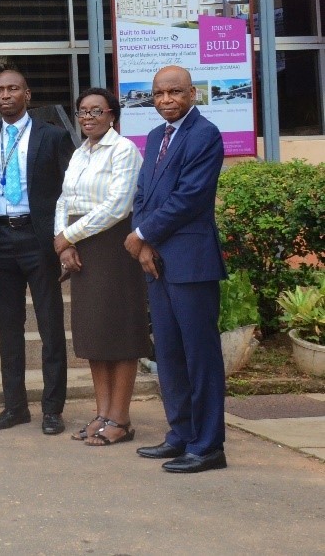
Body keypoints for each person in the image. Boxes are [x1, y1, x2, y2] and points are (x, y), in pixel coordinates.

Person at [130, 66, 229, 473]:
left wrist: (142, 235)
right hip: (156, 261)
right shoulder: (155, 138)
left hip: (191, 262)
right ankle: (181, 435)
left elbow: (190, 197)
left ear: (192, 93)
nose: (166, 100)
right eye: (158, 94)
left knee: (199, 356)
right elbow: (143, 193)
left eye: (174, 92)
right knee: (169, 353)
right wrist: (143, 241)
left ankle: (207, 447)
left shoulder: (204, 135)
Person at [0, 70, 73, 435]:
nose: (5, 95)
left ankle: (52, 409)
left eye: (13, 88)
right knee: (8, 329)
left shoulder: (54, 136)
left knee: (50, 326)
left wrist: (66, 240)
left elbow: (70, 191)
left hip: (39, 240)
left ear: (27, 94)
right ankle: (15, 407)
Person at [54, 87, 147, 448]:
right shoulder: (80, 153)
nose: (88, 117)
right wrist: (61, 241)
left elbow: (118, 205)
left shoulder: (124, 150)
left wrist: (69, 236)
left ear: (113, 115)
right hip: (81, 246)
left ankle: (120, 418)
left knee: (119, 332)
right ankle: (102, 412)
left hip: (112, 246)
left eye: (96, 111)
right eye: (82, 112)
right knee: (93, 333)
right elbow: (64, 199)